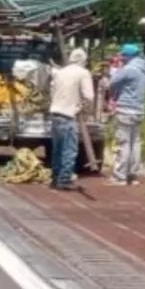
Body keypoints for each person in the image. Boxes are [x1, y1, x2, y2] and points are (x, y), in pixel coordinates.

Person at [48, 47, 93, 190]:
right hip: (68, 116)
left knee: (58, 149)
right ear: (83, 61)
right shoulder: (83, 73)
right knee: (69, 150)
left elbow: (52, 91)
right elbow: (89, 96)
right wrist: (83, 109)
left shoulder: (60, 72)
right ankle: (64, 180)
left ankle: (55, 178)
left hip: (55, 114)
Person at [108, 43, 145, 186]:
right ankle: (133, 174)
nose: (121, 57)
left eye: (123, 55)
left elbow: (112, 82)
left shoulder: (128, 69)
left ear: (129, 56)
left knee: (123, 143)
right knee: (136, 143)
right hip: (139, 109)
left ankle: (120, 176)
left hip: (126, 108)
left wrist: (116, 69)